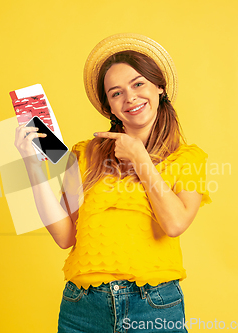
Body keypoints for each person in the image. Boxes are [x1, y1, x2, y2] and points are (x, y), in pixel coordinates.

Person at [14, 33, 212, 333]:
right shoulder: (84, 153)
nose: (130, 97)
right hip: (82, 308)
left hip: (153, 305)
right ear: (109, 107)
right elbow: (65, 236)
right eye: (116, 93)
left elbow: (174, 224)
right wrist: (31, 166)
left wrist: (140, 158)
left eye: (138, 83)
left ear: (160, 87)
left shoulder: (187, 158)